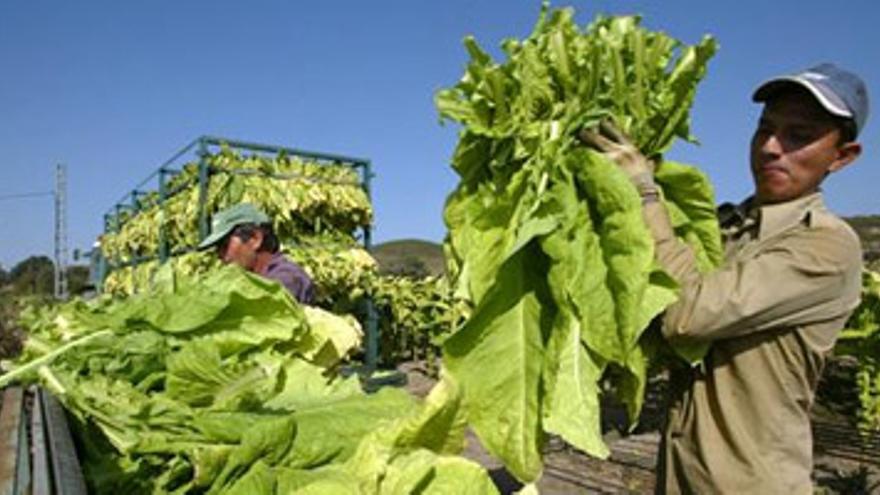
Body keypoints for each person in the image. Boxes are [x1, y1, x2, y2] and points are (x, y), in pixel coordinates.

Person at [582, 63, 869, 493]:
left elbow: (685, 316)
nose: (772, 147)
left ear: (842, 157)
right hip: (680, 477)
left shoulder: (827, 247)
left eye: (799, 135)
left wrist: (643, 193)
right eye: (765, 129)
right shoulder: (723, 229)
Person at [198, 203, 316, 304]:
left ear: (255, 239)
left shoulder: (287, 277)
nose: (220, 255)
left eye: (225, 245)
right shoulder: (253, 281)